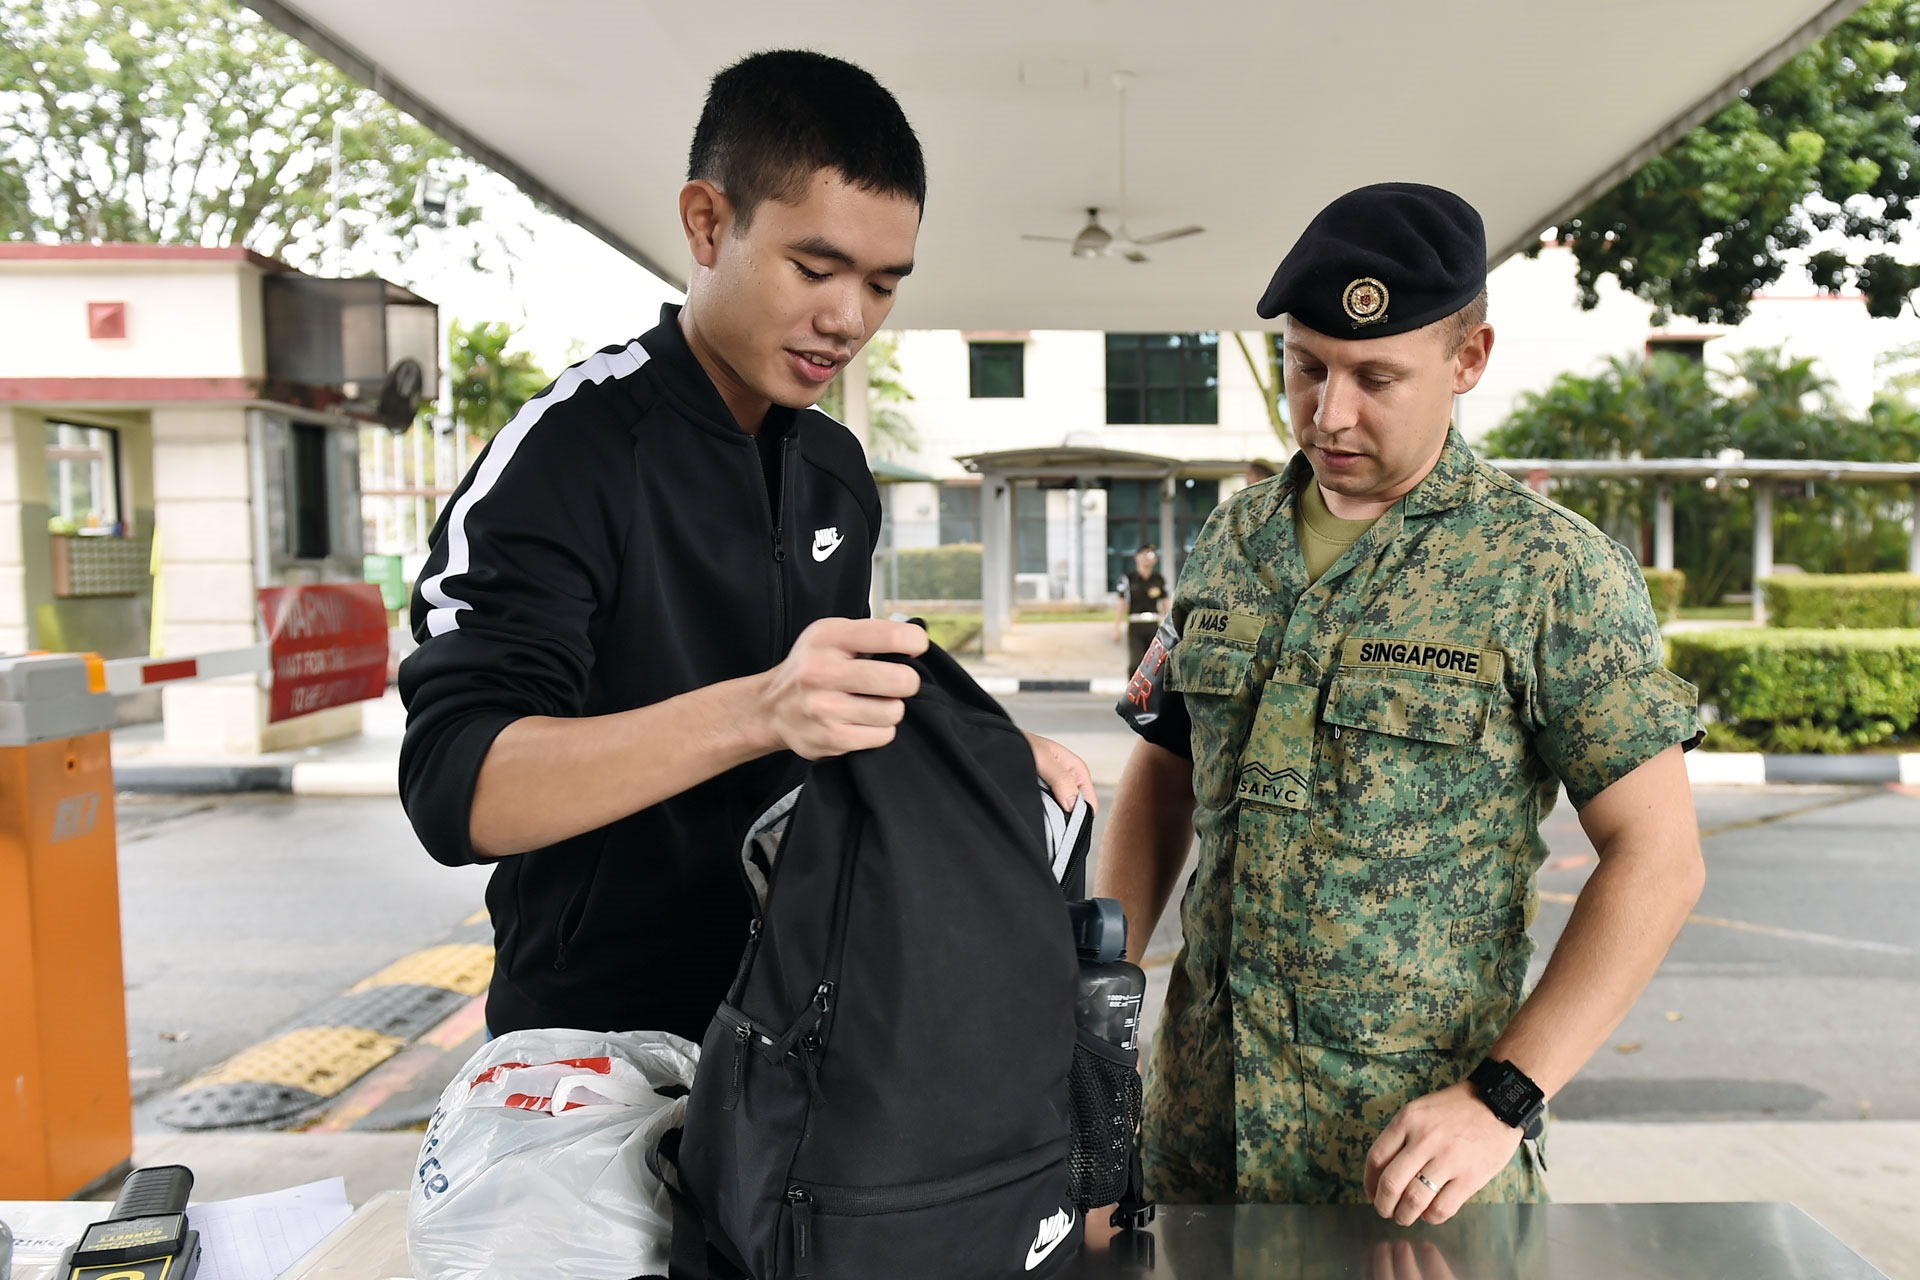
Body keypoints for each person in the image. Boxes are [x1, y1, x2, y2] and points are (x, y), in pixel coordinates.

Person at [399, 51, 1094, 1044]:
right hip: (595, 1048)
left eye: (882, 284)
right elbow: (458, 788)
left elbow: (832, 713)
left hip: (802, 1029)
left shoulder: (836, 469)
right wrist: (763, 709)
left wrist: (980, 753)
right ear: (706, 222)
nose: (847, 319)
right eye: (815, 268)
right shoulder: (570, 452)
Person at [1098, 182, 1705, 1225]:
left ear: (1469, 360)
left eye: (1377, 377)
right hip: (1200, 1140)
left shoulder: (1549, 570)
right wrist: (1093, 1015)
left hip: (1412, 1173)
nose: (1330, 412)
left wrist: (1504, 1098)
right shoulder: (1232, 542)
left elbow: (1660, 859)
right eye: (1307, 366)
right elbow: (1162, 773)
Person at [1114, 544, 1169, 677]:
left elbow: (1165, 603)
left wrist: (1169, 626)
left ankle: (1152, 689)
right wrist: (1116, 627)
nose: (1146, 558)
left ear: (1155, 559)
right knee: (1136, 661)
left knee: (1154, 663)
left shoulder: (1158, 579)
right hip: (1135, 625)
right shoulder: (1128, 579)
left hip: (1153, 624)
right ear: (1136, 557)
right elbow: (1122, 603)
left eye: (1150, 555)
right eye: (1143, 554)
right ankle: (1132, 688)